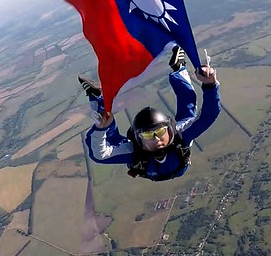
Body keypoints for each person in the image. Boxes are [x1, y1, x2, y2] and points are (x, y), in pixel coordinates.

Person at [82, 46, 220, 181]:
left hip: (169, 164)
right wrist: (101, 130)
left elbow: (209, 115)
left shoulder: (180, 135)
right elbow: (100, 154)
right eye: (148, 135)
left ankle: (179, 69)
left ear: (169, 129)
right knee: (107, 129)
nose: (156, 139)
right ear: (139, 138)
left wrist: (210, 85)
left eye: (160, 132)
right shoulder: (135, 151)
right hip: (170, 166)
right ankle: (99, 103)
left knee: (188, 111)